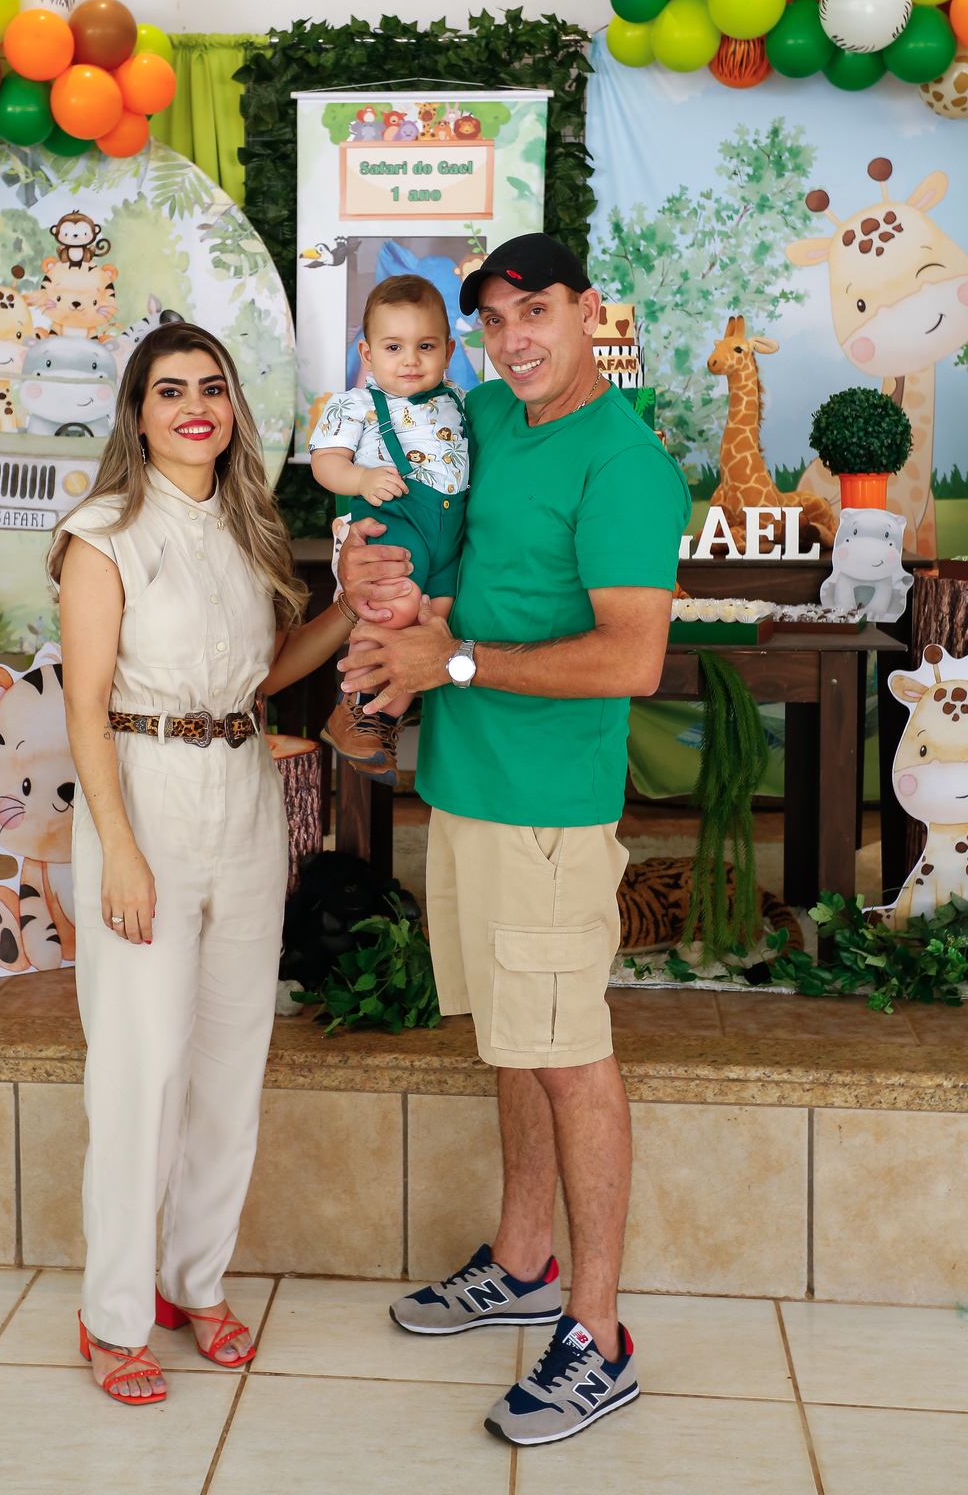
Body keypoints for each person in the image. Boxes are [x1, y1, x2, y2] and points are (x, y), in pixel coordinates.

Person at [336, 235, 691, 1449]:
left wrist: (455, 662)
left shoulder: (625, 465)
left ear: (588, 312)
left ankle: (598, 1333)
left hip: (548, 809)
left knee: (569, 1053)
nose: (514, 339)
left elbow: (632, 659)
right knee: (513, 1039)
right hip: (467, 784)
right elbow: (423, 519)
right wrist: (377, 563)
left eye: (535, 311)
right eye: (493, 320)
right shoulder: (482, 413)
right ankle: (526, 1260)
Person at [52, 320, 351, 1406]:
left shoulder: (246, 524)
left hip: (243, 791)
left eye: (212, 388)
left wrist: (352, 610)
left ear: (232, 410)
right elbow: (85, 705)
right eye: (170, 390)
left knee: (230, 1062)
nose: (194, 406)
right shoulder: (103, 533)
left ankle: (195, 1281)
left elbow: (261, 675)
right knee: (140, 1071)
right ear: (137, 415)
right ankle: (114, 1316)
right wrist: (119, 850)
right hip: (145, 795)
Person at [309, 274, 469, 785]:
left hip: (447, 532)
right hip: (394, 520)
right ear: (368, 353)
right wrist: (361, 478)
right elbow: (325, 463)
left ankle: (380, 723)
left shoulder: (457, 400)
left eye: (426, 346)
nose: (411, 360)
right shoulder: (354, 404)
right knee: (392, 610)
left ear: (448, 351)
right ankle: (354, 707)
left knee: (432, 628)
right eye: (394, 347)